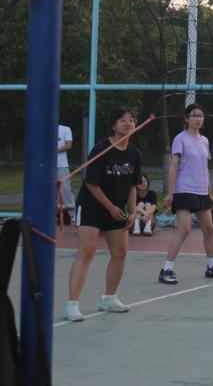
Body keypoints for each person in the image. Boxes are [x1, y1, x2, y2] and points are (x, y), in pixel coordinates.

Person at [65, 107, 141, 321]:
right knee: (87, 251)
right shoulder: (101, 149)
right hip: (92, 207)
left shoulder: (134, 153)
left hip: (116, 210)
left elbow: (133, 185)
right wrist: (111, 208)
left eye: (132, 120)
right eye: (123, 120)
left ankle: (109, 298)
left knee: (120, 252)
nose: (128, 123)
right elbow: (91, 183)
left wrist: (133, 210)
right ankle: (72, 304)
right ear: (114, 125)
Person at [158, 104, 213, 283]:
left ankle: (212, 266)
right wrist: (170, 193)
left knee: (209, 230)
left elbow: (204, 169)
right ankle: (166, 270)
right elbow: (173, 166)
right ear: (186, 118)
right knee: (184, 229)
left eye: (201, 116)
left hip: (201, 191)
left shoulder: (204, 140)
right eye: (194, 115)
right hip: (183, 190)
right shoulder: (180, 139)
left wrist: (210, 193)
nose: (198, 119)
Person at [57, 122, 75, 222]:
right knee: (50, 191)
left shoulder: (65, 129)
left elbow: (68, 145)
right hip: (46, 166)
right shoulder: (44, 129)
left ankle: (72, 216)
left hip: (61, 165)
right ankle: (53, 215)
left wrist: (53, 150)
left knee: (65, 189)